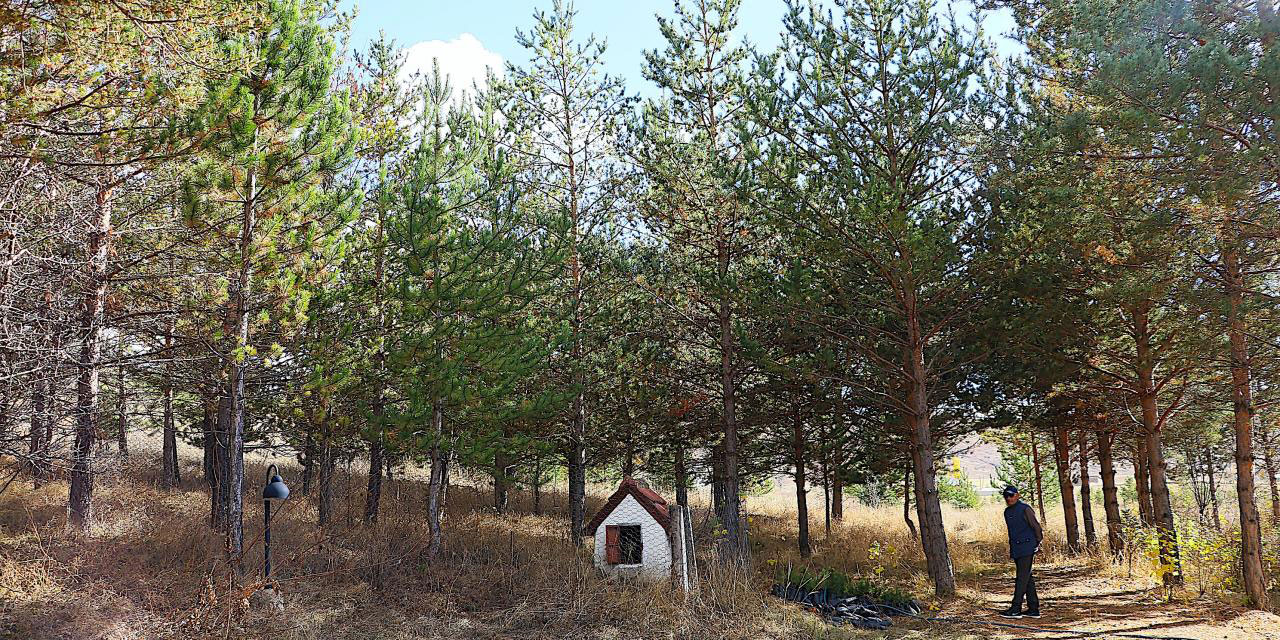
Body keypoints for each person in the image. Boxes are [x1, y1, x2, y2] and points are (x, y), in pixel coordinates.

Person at [999, 485, 1042, 619]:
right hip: (1016, 548)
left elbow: (1036, 527)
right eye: (1006, 496)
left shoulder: (1025, 509)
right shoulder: (1007, 512)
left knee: (1021, 578)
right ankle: (1033, 609)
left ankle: (1016, 608)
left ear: (1017, 495)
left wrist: (1038, 543)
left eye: (1011, 495)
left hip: (1027, 547)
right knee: (1027, 578)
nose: (1008, 498)